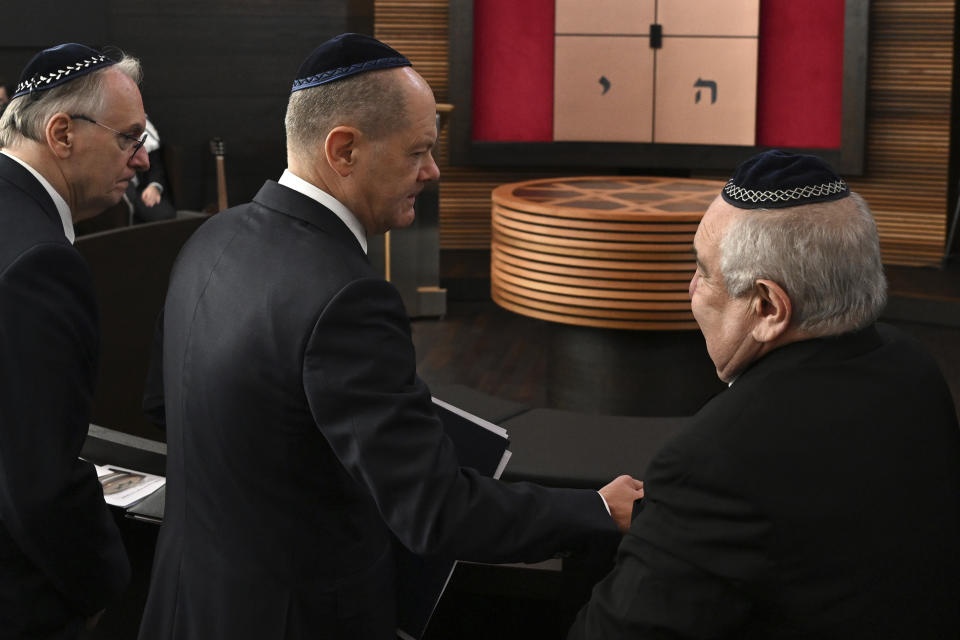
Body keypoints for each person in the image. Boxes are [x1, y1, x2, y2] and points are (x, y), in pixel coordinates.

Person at [138, 33, 643, 640]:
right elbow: (434, 512)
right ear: (344, 149)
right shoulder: (348, 296)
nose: (432, 171)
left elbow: (171, 410)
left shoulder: (210, 238)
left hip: (181, 605)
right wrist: (594, 508)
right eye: (419, 152)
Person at [569, 150, 960, 639]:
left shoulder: (713, 461)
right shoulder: (913, 365)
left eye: (704, 272)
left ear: (769, 306)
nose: (690, 289)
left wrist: (662, 524)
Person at [0, 43, 149, 637]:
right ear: (61, 133)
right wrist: (106, 583)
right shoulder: (40, 261)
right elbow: (37, 481)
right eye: (128, 138)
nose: (140, 160)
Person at [124, 115, 176, 223]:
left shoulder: (142, 123)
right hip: (112, 192)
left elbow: (154, 165)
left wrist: (154, 186)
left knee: (164, 215)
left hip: (139, 190)